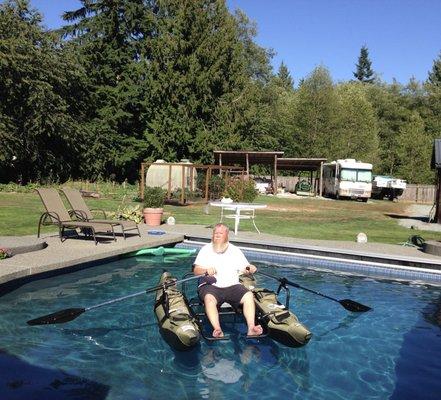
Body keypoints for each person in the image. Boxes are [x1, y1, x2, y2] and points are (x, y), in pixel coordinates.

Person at [193, 223, 263, 338]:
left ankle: (251, 328)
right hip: (211, 286)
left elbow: (245, 268)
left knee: (248, 295)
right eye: (215, 233)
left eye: (221, 233)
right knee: (209, 299)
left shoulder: (235, 250)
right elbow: (196, 270)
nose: (217, 235)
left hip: (232, 286)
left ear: (227, 235)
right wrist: (205, 270)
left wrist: (249, 268)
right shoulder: (205, 249)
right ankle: (217, 329)